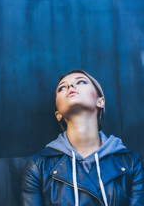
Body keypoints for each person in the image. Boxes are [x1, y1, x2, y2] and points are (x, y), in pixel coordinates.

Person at [21, 69, 144, 206]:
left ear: (100, 101)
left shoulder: (130, 163)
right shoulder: (39, 165)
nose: (70, 86)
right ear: (58, 114)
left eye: (81, 82)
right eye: (62, 87)